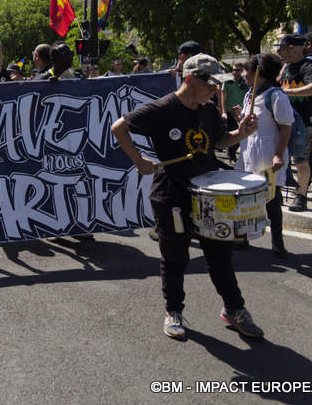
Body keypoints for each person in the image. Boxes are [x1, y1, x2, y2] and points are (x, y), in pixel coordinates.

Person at [111, 53, 263, 340]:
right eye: (210, 84)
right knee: (175, 257)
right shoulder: (162, 108)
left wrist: (241, 133)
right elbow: (119, 128)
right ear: (190, 79)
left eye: (217, 85)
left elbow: (220, 142)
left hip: (208, 196)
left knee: (220, 256)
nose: (215, 90)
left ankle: (234, 309)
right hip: (172, 194)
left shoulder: (208, 110)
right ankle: (173, 311)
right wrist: (139, 160)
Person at [235, 53, 293, 258]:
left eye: (247, 70)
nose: (244, 74)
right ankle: (242, 238)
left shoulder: (276, 96)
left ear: (259, 72)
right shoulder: (250, 94)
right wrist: (239, 118)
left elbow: (286, 128)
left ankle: (278, 243)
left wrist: (278, 155)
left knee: (272, 200)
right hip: (248, 152)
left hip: (267, 155)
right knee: (244, 197)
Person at [278, 34, 312, 212]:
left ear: (291, 48)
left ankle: (301, 196)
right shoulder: (286, 66)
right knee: (281, 158)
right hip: (285, 121)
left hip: (304, 123)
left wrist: (287, 93)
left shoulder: (308, 66)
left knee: (301, 161)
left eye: (281, 48)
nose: (280, 52)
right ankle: (277, 191)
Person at [221, 62, 248, 163]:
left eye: (237, 70)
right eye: (233, 70)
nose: (235, 72)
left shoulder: (245, 82)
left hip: (242, 112)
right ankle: (231, 156)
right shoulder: (227, 81)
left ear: (242, 71)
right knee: (232, 134)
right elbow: (223, 98)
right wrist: (223, 111)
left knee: (242, 134)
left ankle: (238, 156)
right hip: (230, 111)